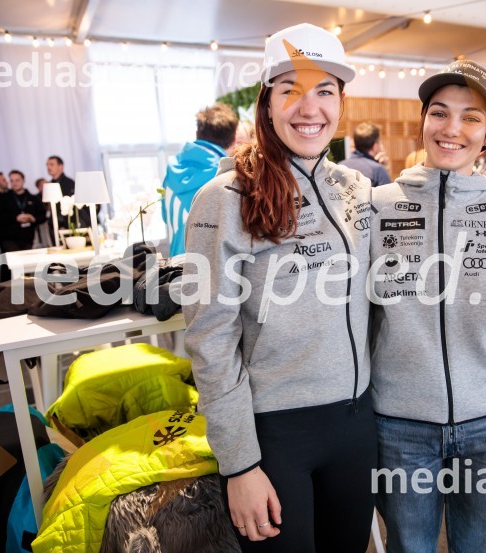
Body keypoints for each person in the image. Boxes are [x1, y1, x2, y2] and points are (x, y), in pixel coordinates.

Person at [182, 23, 376, 552]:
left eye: (324, 90)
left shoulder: (356, 188)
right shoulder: (224, 197)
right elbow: (209, 336)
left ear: (341, 104)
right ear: (267, 103)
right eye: (290, 89)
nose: (308, 107)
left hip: (356, 425)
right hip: (275, 436)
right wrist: (239, 462)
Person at [370, 60, 486, 553]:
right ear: (423, 122)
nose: (452, 129)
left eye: (471, 117)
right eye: (440, 113)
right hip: (400, 426)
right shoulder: (376, 208)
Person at [162, 104, 239, 257]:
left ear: (197, 133)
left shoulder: (171, 169)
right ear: (233, 140)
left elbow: (165, 216)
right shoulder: (225, 175)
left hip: (173, 269)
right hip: (207, 270)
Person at [0, 170, 46, 256]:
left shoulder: (33, 198)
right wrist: (15, 218)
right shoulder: (3, 199)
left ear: (23, 181)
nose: (14, 183)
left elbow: (43, 215)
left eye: (17, 180)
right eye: (12, 181)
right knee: (16, 264)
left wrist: (33, 218)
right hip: (10, 239)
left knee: (27, 265)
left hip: (28, 239)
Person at [340, 122, 392, 187]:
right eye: (379, 142)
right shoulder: (377, 171)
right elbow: (388, 196)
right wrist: (385, 170)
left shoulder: (339, 166)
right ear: (375, 146)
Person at [47, 155, 91, 229]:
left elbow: (73, 206)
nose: (48, 167)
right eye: (47, 165)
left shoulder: (69, 183)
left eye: (51, 164)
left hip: (70, 224)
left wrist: (65, 225)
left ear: (60, 166)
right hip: (55, 224)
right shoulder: (50, 184)